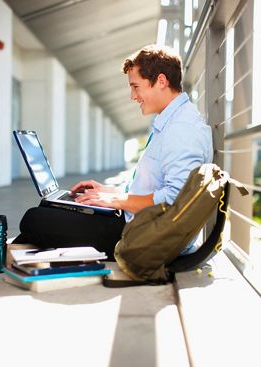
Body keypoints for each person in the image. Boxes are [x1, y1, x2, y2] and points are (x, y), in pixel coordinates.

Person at [13, 44, 213, 260]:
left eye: (136, 87)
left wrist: (117, 201)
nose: (132, 96)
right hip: (139, 225)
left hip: (145, 237)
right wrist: (111, 193)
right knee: (50, 212)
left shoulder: (182, 129)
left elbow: (176, 200)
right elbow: (156, 187)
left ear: (161, 81)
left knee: (35, 219)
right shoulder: (173, 121)